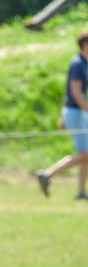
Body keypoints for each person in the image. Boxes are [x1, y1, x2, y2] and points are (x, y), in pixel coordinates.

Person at [36, 30, 88, 199]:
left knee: (85, 153)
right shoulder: (78, 64)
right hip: (76, 112)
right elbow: (76, 92)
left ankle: (81, 191)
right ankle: (48, 174)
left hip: (77, 112)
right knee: (85, 153)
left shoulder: (83, 63)